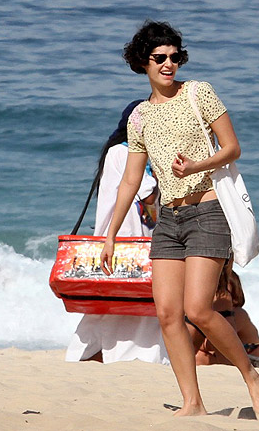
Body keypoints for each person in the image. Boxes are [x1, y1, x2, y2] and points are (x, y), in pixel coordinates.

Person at [99, 21, 259, 417]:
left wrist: (199, 164)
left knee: (198, 310)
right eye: (160, 57)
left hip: (208, 211)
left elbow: (232, 148)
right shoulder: (140, 117)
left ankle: (252, 377)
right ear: (143, 61)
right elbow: (129, 181)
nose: (169, 64)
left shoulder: (198, 93)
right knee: (166, 313)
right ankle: (193, 402)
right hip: (169, 221)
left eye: (175, 56)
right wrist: (110, 234)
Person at [65, 100, 168, 365]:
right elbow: (148, 196)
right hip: (132, 238)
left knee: (106, 302)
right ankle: (137, 357)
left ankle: (84, 355)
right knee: (140, 300)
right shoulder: (129, 154)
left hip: (113, 237)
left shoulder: (113, 152)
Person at [187, 256, 259, 365]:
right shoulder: (209, 314)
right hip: (221, 360)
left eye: (223, 292)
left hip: (250, 360)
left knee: (202, 353)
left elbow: (217, 340)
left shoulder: (239, 314)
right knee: (199, 354)